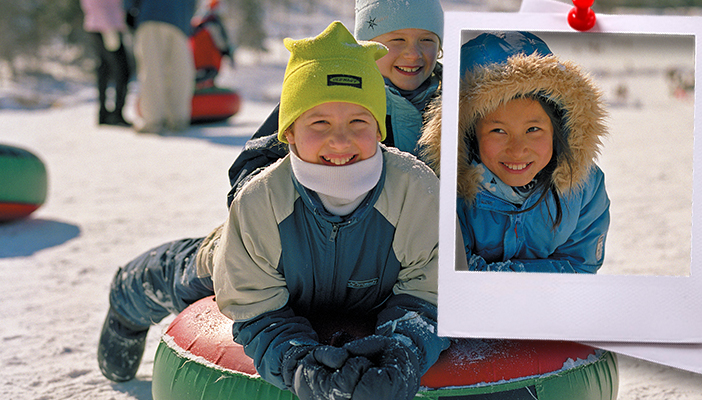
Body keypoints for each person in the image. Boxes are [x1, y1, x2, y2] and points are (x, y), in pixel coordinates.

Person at [98, 22, 448, 400]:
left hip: (370, 286)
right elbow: (256, 307)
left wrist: (403, 352)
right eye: (320, 122)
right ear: (289, 134)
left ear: (379, 129)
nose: (340, 139)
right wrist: (297, 364)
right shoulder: (261, 199)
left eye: (358, 121)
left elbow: (430, 291)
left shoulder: (417, 189)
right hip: (261, 265)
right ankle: (128, 291)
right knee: (194, 271)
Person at [419, 31, 611, 274]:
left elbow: (579, 267)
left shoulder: (583, 186)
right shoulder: (445, 191)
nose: (518, 149)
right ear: (468, 133)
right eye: (498, 130)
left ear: (558, 127)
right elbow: (455, 274)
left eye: (533, 129)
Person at [226, 0, 444, 207]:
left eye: (427, 40)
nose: (413, 54)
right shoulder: (328, 93)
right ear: (368, 44)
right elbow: (250, 170)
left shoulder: (457, 102)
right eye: (397, 40)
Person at [124, 0, 196, 133]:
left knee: (152, 69)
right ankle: (178, 119)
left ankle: (153, 120)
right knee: (179, 71)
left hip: (151, 14)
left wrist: (128, 9)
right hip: (180, 18)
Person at [80, 0, 132, 126]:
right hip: (107, 26)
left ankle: (103, 114)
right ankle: (115, 114)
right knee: (122, 70)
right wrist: (108, 27)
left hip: (98, 24)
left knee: (104, 68)